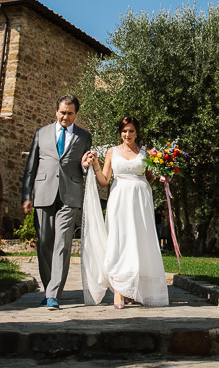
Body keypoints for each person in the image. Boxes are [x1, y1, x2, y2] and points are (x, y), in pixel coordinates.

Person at [81, 116, 169, 308]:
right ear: (120, 133)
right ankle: (119, 291)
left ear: (136, 132)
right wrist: (95, 165)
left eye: (130, 131)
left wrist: (163, 173)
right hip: (119, 200)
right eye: (124, 131)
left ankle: (134, 290)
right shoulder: (112, 152)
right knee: (120, 242)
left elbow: (149, 178)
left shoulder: (146, 152)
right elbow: (104, 180)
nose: (127, 135)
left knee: (138, 243)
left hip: (140, 201)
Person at [21, 94, 93, 310]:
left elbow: (85, 167)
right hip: (43, 193)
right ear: (56, 112)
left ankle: (53, 294)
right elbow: (30, 167)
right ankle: (48, 287)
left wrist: (84, 165)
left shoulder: (84, 136)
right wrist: (26, 195)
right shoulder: (41, 133)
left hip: (70, 195)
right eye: (62, 112)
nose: (65, 117)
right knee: (44, 244)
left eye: (70, 113)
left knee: (62, 243)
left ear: (75, 114)